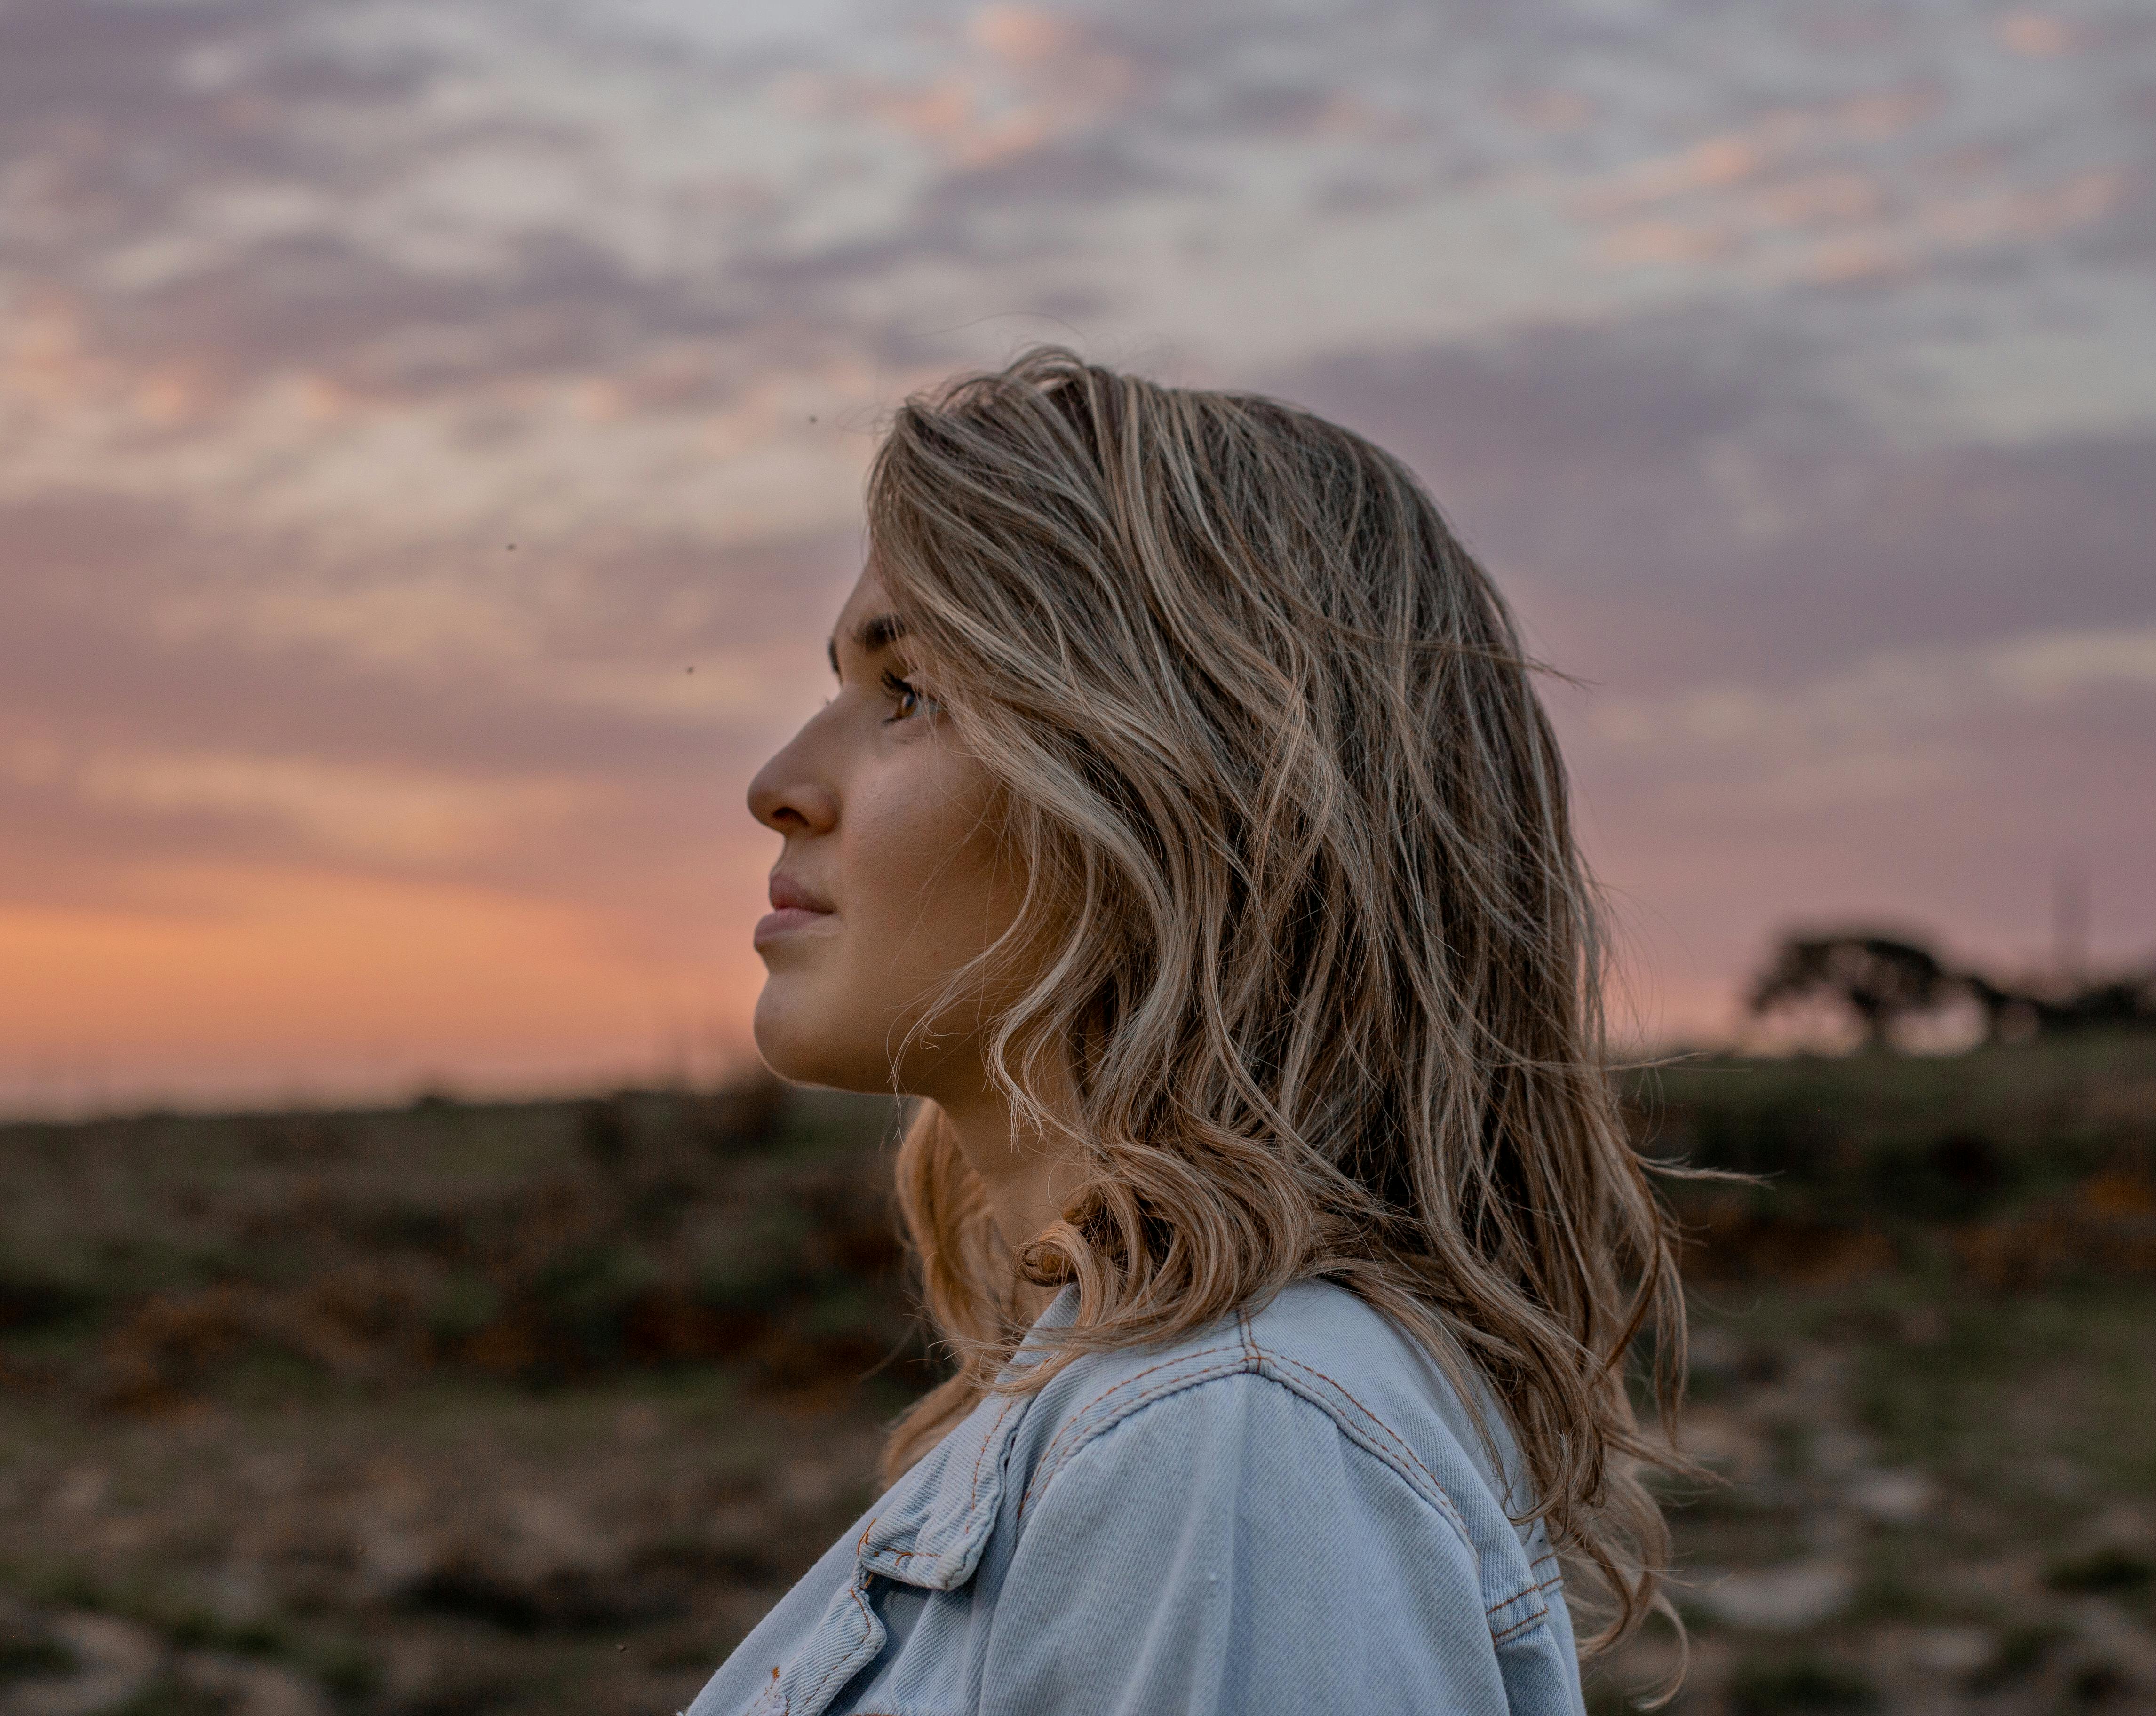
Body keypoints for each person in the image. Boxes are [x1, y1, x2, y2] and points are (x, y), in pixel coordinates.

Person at [695, 349, 1687, 1716]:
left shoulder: (1224, 1433)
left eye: (909, 691)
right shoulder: (1156, 1409)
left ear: (1181, 791)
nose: (779, 785)